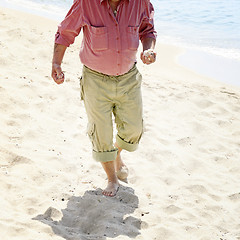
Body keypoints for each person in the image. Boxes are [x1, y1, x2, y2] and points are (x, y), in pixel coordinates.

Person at [51, 0, 157, 197]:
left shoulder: (140, 2)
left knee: (134, 129)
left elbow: (147, 30)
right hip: (95, 80)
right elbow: (65, 33)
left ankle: (116, 154)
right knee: (101, 132)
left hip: (129, 78)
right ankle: (111, 179)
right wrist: (56, 64)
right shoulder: (85, 3)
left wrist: (148, 49)